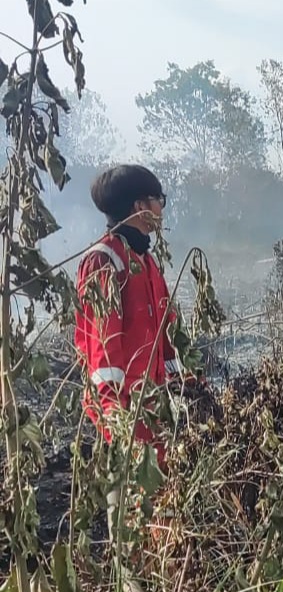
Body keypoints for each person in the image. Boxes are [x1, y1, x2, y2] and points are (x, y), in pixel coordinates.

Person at [75, 165, 183, 519]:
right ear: (139, 207)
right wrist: (116, 424)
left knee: (162, 519)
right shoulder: (105, 262)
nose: (161, 209)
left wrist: (185, 389)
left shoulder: (147, 263)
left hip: (155, 415)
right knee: (130, 521)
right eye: (158, 201)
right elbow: (102, 356)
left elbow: (167, 341)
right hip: (125, 422)